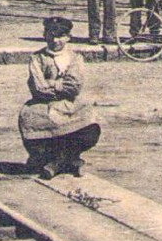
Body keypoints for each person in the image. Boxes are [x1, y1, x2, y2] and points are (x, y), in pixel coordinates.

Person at [17, 17, 101, 180]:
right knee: (30, 121)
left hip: (70, 106)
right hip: (42, 106)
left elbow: (74, 87)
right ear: (45, 35)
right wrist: (61, 85)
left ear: (68, 37)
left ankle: (58, 162)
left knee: (91, 127)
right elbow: (39, 88)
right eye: (51, 35)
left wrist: (52, 84)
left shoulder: (75, 58)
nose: (55, 41)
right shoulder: (36, 58)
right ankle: (69, 160)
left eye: (60, 36)